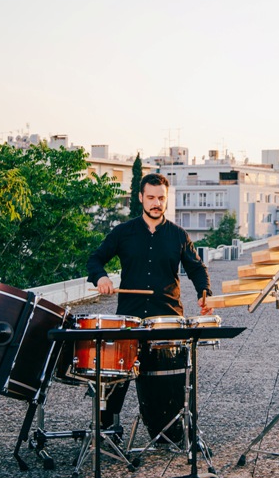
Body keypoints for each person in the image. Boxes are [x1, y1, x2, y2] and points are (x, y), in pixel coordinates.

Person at [86, 172, 213, 436]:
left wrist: (205, 294)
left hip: (166, 317)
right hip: (130, 319)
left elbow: (197, 269)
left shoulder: (179, 235)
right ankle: (105, 430)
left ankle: (170, 429)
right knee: (115, 376)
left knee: (170, 379)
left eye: (161, 198)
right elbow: (95, 259)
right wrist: (101, 277)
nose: (156, 203)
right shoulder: (123, 232)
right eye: (151, 197)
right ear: (141, 197)